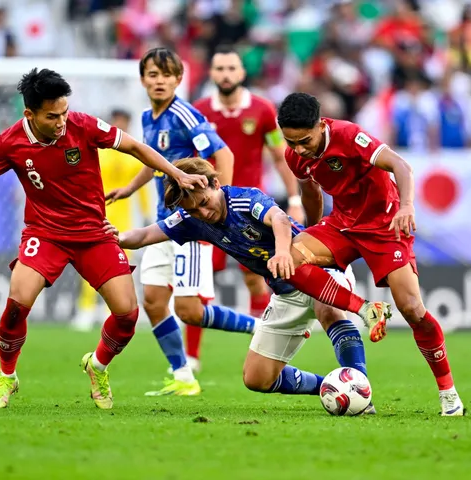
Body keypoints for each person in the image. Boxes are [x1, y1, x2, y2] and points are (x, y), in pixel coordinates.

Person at [0, 68, 207, 410]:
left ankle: (98, 366)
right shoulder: (10, 142)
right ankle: (7, 377)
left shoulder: (83, 125)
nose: (62, 121)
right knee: (17, 303)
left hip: (94, 233)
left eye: (64, 112)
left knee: (127, 314)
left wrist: (178, 172)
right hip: (45, 234)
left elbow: (136, 147)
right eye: (52, 116)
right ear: (29, 114)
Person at [112, 158, 374, 412]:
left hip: (317, 265)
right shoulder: (193, 220)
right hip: (285, 291)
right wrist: (117, 237)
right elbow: (146, 234)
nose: (203, 213)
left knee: (327, 309)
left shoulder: (244, 198)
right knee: (257, 379)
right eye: (194, 210)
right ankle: (331, 387)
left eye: (204, 202)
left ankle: (361, 390)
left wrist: (283, 252)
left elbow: (280, 219)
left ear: (214, 183)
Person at [277, 92, 464, 416]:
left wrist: (406, 206)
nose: (299, 149)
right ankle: (365, 309)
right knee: (288, 259)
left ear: (321, 125)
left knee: (411, 308)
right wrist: (312, 230)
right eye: (291, 142)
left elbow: (400, 165)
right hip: (342, 225)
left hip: (384, 227)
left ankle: (448, 393)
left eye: (304, 140)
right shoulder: (296, 156)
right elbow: (310, 190)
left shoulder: (349, 136)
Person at [106, 48, 262, 396]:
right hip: (164, 222)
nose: (159, 81)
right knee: (153, 302)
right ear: (143, 79)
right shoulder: (149, 117)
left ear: (179, 79)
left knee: (190, 310)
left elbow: (223, 154)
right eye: (153, 75)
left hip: (190, 224)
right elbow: (154, 159)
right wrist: (131, 188)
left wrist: (222, 207)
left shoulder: (185, 115)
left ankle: (263, 327)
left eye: (166, 75)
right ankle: (183, 376)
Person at [186, 45, 305, 365]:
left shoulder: (264, 110)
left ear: (241, 73)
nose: (225, 74)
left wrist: (294, 200)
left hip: (250, 209)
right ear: (211, 74)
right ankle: (191, 358)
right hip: (208, 209)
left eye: (231, 68)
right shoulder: (198, 111)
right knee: (199, 279)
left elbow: (281, 158)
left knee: (256, 277)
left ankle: (264, 338)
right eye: (219, 68)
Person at [71, 109, 152, 331]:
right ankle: (86, 310)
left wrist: (145, 212)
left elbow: (141, 187)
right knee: (89, 262)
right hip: (96, 213)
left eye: (125, 121)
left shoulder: (132, 153)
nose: (121, 124)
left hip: (123, 218)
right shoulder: (98, 149)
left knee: (120, 264)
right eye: (117, 120)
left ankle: (111, 311)